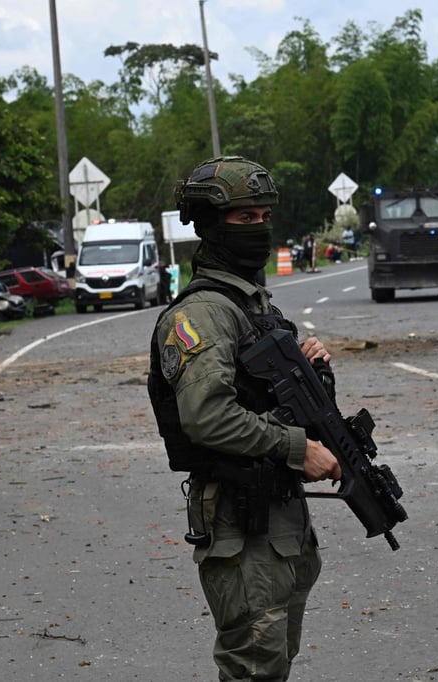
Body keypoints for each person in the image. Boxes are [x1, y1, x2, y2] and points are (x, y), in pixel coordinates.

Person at [147, 156, 341, 681]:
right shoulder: (203, 313)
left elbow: (262, 396)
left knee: (273, 663)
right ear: (210, 226)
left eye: (262, 217)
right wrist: (297, 449)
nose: (258, 228)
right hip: (241, 518)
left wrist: (309, 369)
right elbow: (207, 417)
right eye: (242, 219)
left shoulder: (252, 306)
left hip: (277, 518)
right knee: (253, 667)